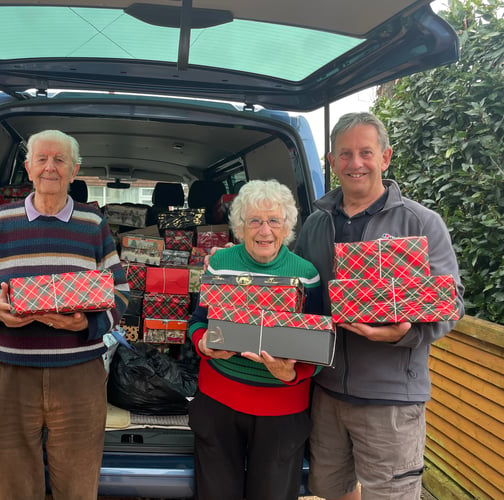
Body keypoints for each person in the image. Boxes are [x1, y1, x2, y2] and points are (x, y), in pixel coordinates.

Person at [293, 112, 465, 500]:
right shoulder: (316, 225)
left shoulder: (421, 223)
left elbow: (451, 303)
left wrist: (406, 334)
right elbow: (297, 292)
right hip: (327, 391)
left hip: (391, 397)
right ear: (333, 161)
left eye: (365, 153)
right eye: (345, 154)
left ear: (385, 158)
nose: (356, 163)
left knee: (390, 495)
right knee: (332, 491)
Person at [0, 129, 129, 499]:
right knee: (11, 484)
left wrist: (89, 322)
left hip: (78, 376)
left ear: (74, 170)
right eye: (42, 159)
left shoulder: (93, 226)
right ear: (28, 167)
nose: (50, 167)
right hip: (8, 374)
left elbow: (122, 294)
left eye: (60, 160)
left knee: (78, 485)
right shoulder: (0, 222)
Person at [188, 179, 323, 500]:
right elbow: (196, 322)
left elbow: (318, 347)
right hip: (218, 406)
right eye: (255, 221)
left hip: (281, 414)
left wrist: (291, 373)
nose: (265, 231)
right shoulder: (220, 264)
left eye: (274, 220)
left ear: (287, 225)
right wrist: (203, 344)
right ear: (240, 226)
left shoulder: (306, 274)